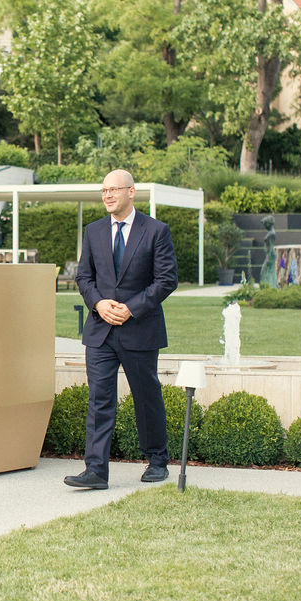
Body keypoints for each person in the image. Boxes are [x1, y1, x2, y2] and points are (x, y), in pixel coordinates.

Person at [64, 169, 178, 491]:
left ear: (131, 192)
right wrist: (99, 303)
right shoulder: (93, 231)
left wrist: (131, 308)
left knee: (146, 396)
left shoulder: (156, 231)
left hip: (140, 329)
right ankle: (95, 470)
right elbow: (84, 277)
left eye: (114, 189)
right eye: (104, 191)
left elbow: (166, 280)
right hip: (100, 331)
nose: (108, 195)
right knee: (99, 399)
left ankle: (157, 461)